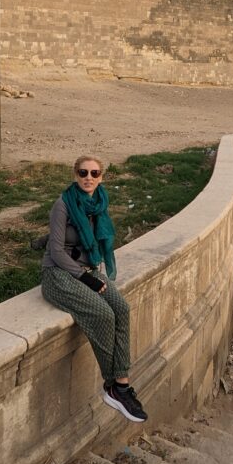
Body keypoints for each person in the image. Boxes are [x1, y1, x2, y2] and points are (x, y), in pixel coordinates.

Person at [40, 155, 148, 423]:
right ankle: (111, 384)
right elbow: (55, 250)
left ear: (102, 177)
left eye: (95, 173)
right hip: (58, 274)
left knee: (121, 308)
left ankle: (121, 386)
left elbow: (98, 244)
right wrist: (87, 278)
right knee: (103, 314)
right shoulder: (63, 204)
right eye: (83, 172)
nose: (89, 177)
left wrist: (94, 273)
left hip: (87, 270)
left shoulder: (99, 203)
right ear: (75, 174)